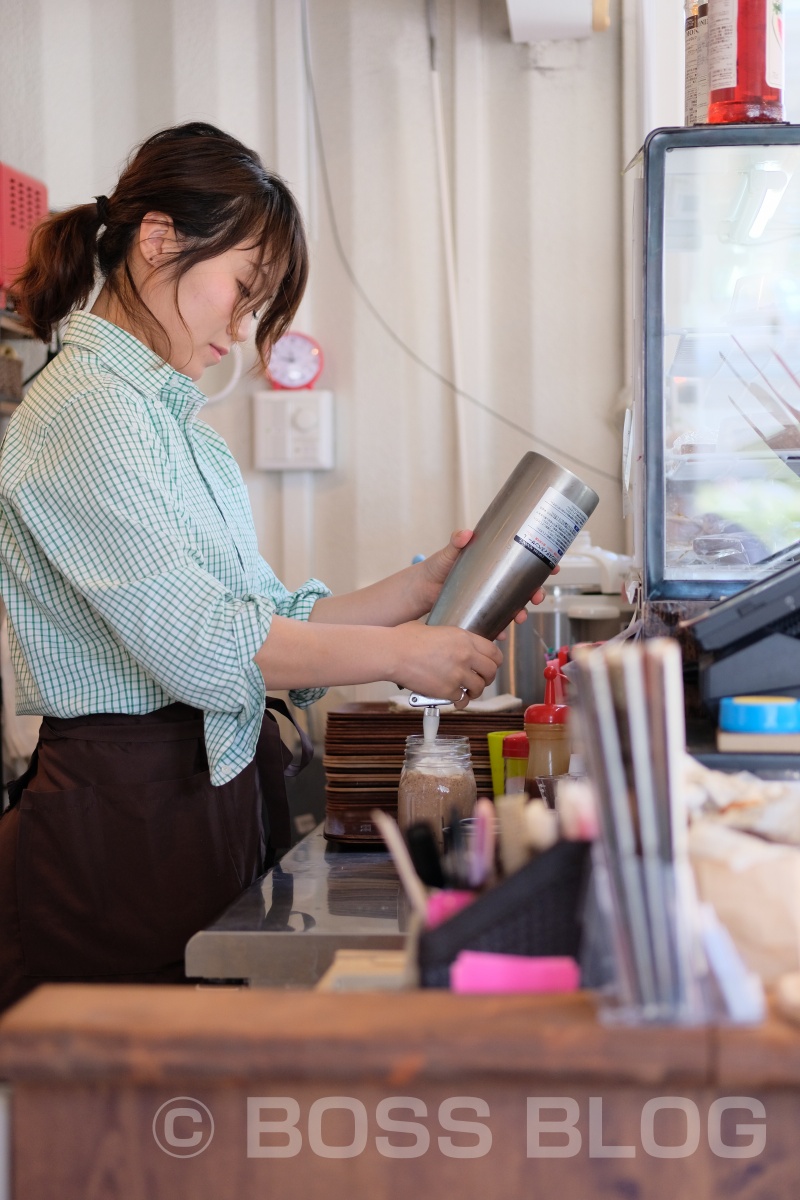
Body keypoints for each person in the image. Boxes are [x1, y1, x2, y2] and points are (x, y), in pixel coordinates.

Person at [0, 122, 544, 1012]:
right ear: (159, 240)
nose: (241, 329)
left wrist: (416, 593)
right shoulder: (84, 411)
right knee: (126, 1129)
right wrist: (404, 653)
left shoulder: (170, 424)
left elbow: (261, 614)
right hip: (118, 823)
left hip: (190, 803)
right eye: (242, 292)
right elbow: (207, 645)